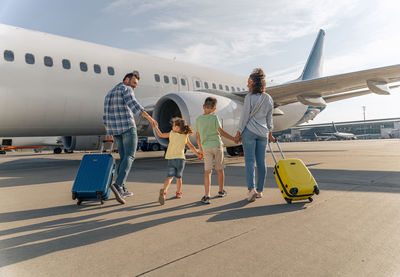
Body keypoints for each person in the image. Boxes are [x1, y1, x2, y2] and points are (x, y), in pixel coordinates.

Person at [103, 71, 157, 204]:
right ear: (126, 80)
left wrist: (108, 130)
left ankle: (122, 188)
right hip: (127, 127)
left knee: (123, 158)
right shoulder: (126, 89)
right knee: (130, 156)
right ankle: (118, 185)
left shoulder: (109, 93)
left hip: (116, 130)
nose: (134, 87)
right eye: (133, 83)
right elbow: (134, 105)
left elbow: (105, 114)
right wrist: (150, 118)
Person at [235, 68, 275, 202]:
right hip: (263, 134)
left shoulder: (249, 97)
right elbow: (270, 119)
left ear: (254, 83)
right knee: (262, 163)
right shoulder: (268, 98)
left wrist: (239, 131)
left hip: (250, 133)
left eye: (249, 82)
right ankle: (260, 190)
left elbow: (245, 116)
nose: (247, 84)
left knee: (250, 162)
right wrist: (270, 133)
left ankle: (251, 190)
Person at [196, 97, 236, 204]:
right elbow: (221, 132)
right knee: (220, 170)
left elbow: (198, 136)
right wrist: (233, 139)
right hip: (217, 146)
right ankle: (221, 191)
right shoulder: (214, 118)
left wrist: (200, 150)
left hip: (206, 148)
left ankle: (207, 195)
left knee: (207, 172)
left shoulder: (198, 119)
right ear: (214, 109)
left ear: (203, 107)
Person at [153, 117, 202, 205]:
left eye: (174, 125)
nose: (172, 126)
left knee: (169, 177)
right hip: (180, 159)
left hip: (171, 159)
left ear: (178, 127)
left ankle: (164, 192)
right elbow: (191, 146)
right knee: (179, 178)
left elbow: (160, 135)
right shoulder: (185, 135)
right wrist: (198, 154)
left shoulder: (171, 133)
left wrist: (156, 127)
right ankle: (178, 192)